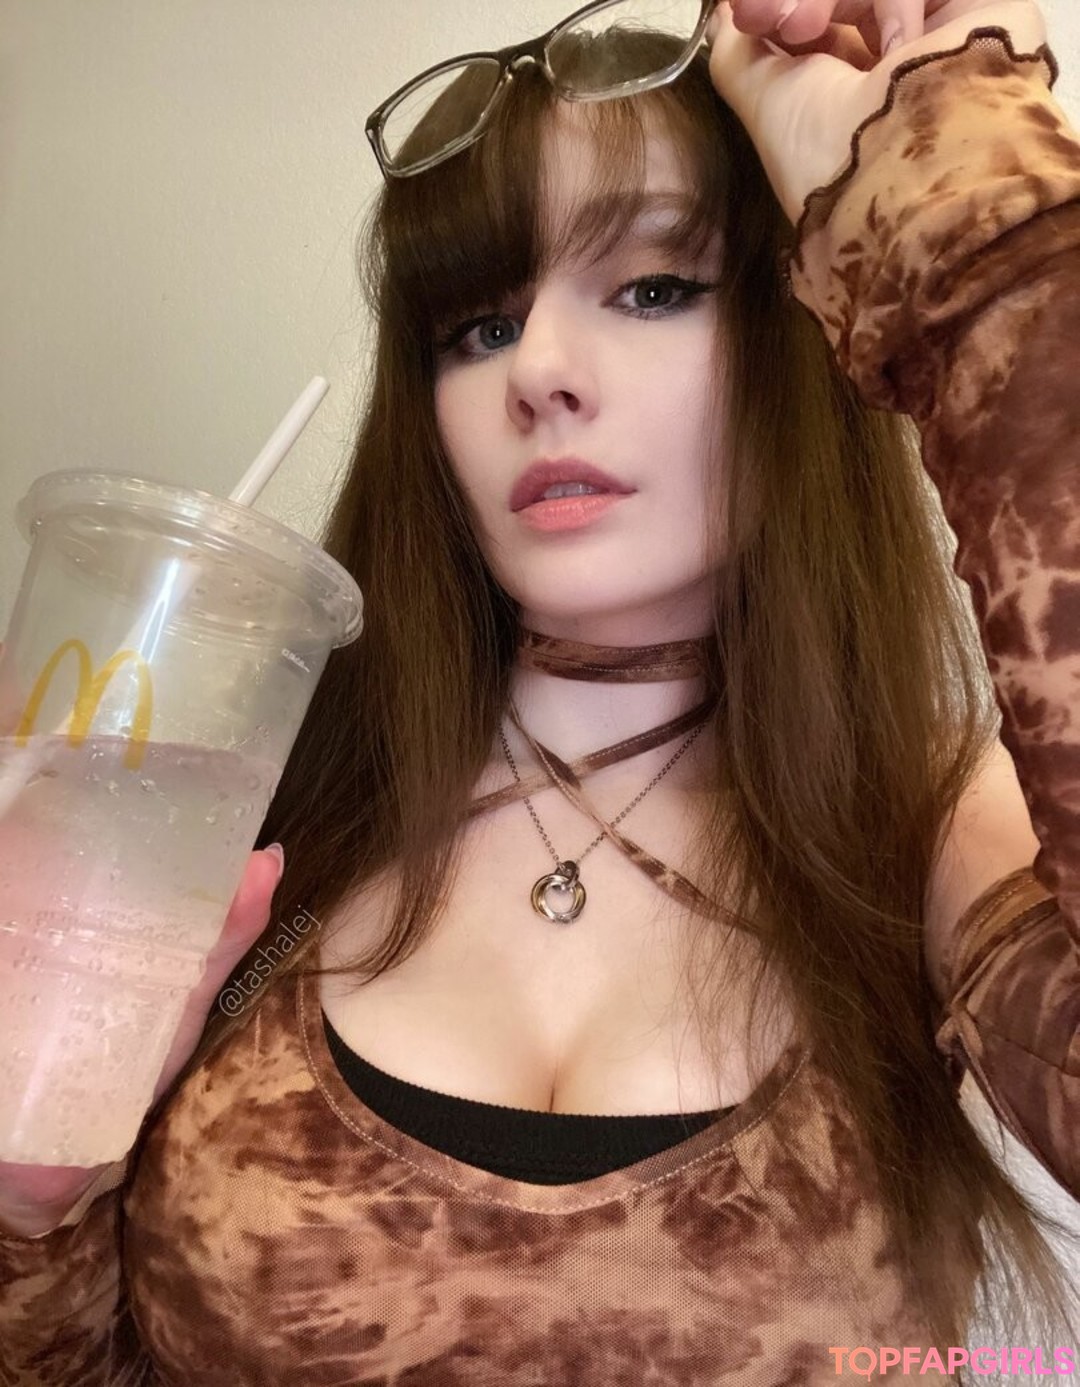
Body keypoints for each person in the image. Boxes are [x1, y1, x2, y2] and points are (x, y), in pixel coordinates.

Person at [1, 0, 1078, 1380]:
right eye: (479, 325)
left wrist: (949, 183)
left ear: (803, 330)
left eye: (655, 288)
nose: (540, 375)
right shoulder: (259, 802)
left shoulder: (929, 824)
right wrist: (32, 1203)